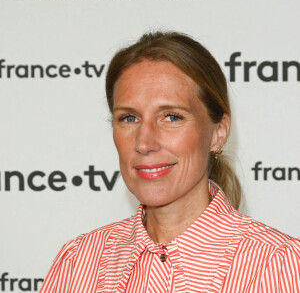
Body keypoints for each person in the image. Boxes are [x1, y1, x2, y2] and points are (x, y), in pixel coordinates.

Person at [40, 32, 300, 293]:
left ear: (218, 133)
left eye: (172, 117)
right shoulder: (79, 262)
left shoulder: (276, 265)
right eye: (129, 118)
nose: (144, 143)